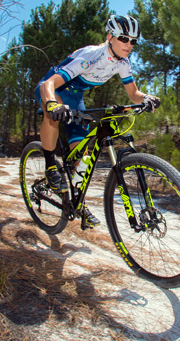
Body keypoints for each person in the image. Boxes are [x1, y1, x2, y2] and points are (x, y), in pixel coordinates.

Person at [34, 14, 161, 228]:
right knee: (52, 118)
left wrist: (146, 98)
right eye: (124, 38)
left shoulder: (123, 63)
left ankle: (77, 203)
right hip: (53, 90)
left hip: (75, 98)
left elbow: (133, 94)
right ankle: (49, 166)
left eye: (133, 41)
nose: (129, 44)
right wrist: (51, 104)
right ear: (110, 36)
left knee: (81, 159)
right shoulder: (91, 56)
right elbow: (48, 84)